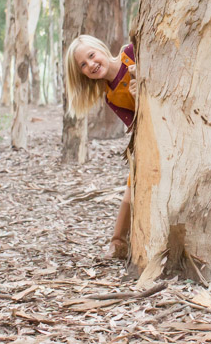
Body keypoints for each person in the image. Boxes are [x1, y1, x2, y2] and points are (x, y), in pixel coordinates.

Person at [64, 35, 136, 259]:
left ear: (101, 49)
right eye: (83, 66)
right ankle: (118, 244)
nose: (91, 65)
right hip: (150, 140)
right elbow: (136, 125)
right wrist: (140, 99)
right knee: (131, 187)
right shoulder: (111, 96)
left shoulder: (131, 54)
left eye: (91, 56)